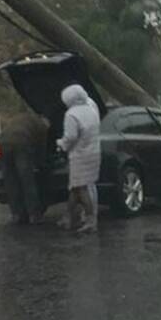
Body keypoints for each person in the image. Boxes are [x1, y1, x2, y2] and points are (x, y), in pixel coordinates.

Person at [57, 84, 101, 234]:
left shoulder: (71, 114)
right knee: (75, 188)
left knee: (80, 188)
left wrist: (61, 144)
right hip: (94, 153)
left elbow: (71, 137)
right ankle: (68, 217)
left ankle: (90, 221)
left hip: (79, 156)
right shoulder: (91, 110)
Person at [0, 109, 49, 224]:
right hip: (21, 142)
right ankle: (34, 214)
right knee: (27, 180)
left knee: (11, 181)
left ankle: (16, 214)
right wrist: (41, 164)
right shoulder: (41, 125)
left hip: (2, 142)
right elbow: (41, 148)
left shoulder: (21, 118)